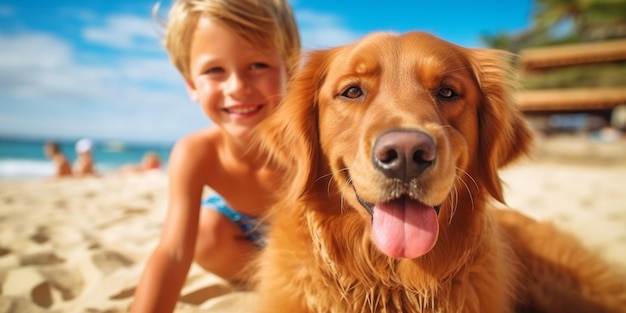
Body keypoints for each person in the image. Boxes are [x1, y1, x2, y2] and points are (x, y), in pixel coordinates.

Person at [130, 0, 300, 311]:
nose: (237, 86)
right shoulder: (197, 153)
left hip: (299, 236)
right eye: (215, 70)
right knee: (203, 234)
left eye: (258, 65)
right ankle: (266, 279)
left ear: (290, 68)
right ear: (192, 84)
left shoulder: (307, 141)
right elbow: (172, 253)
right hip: (236, 232)